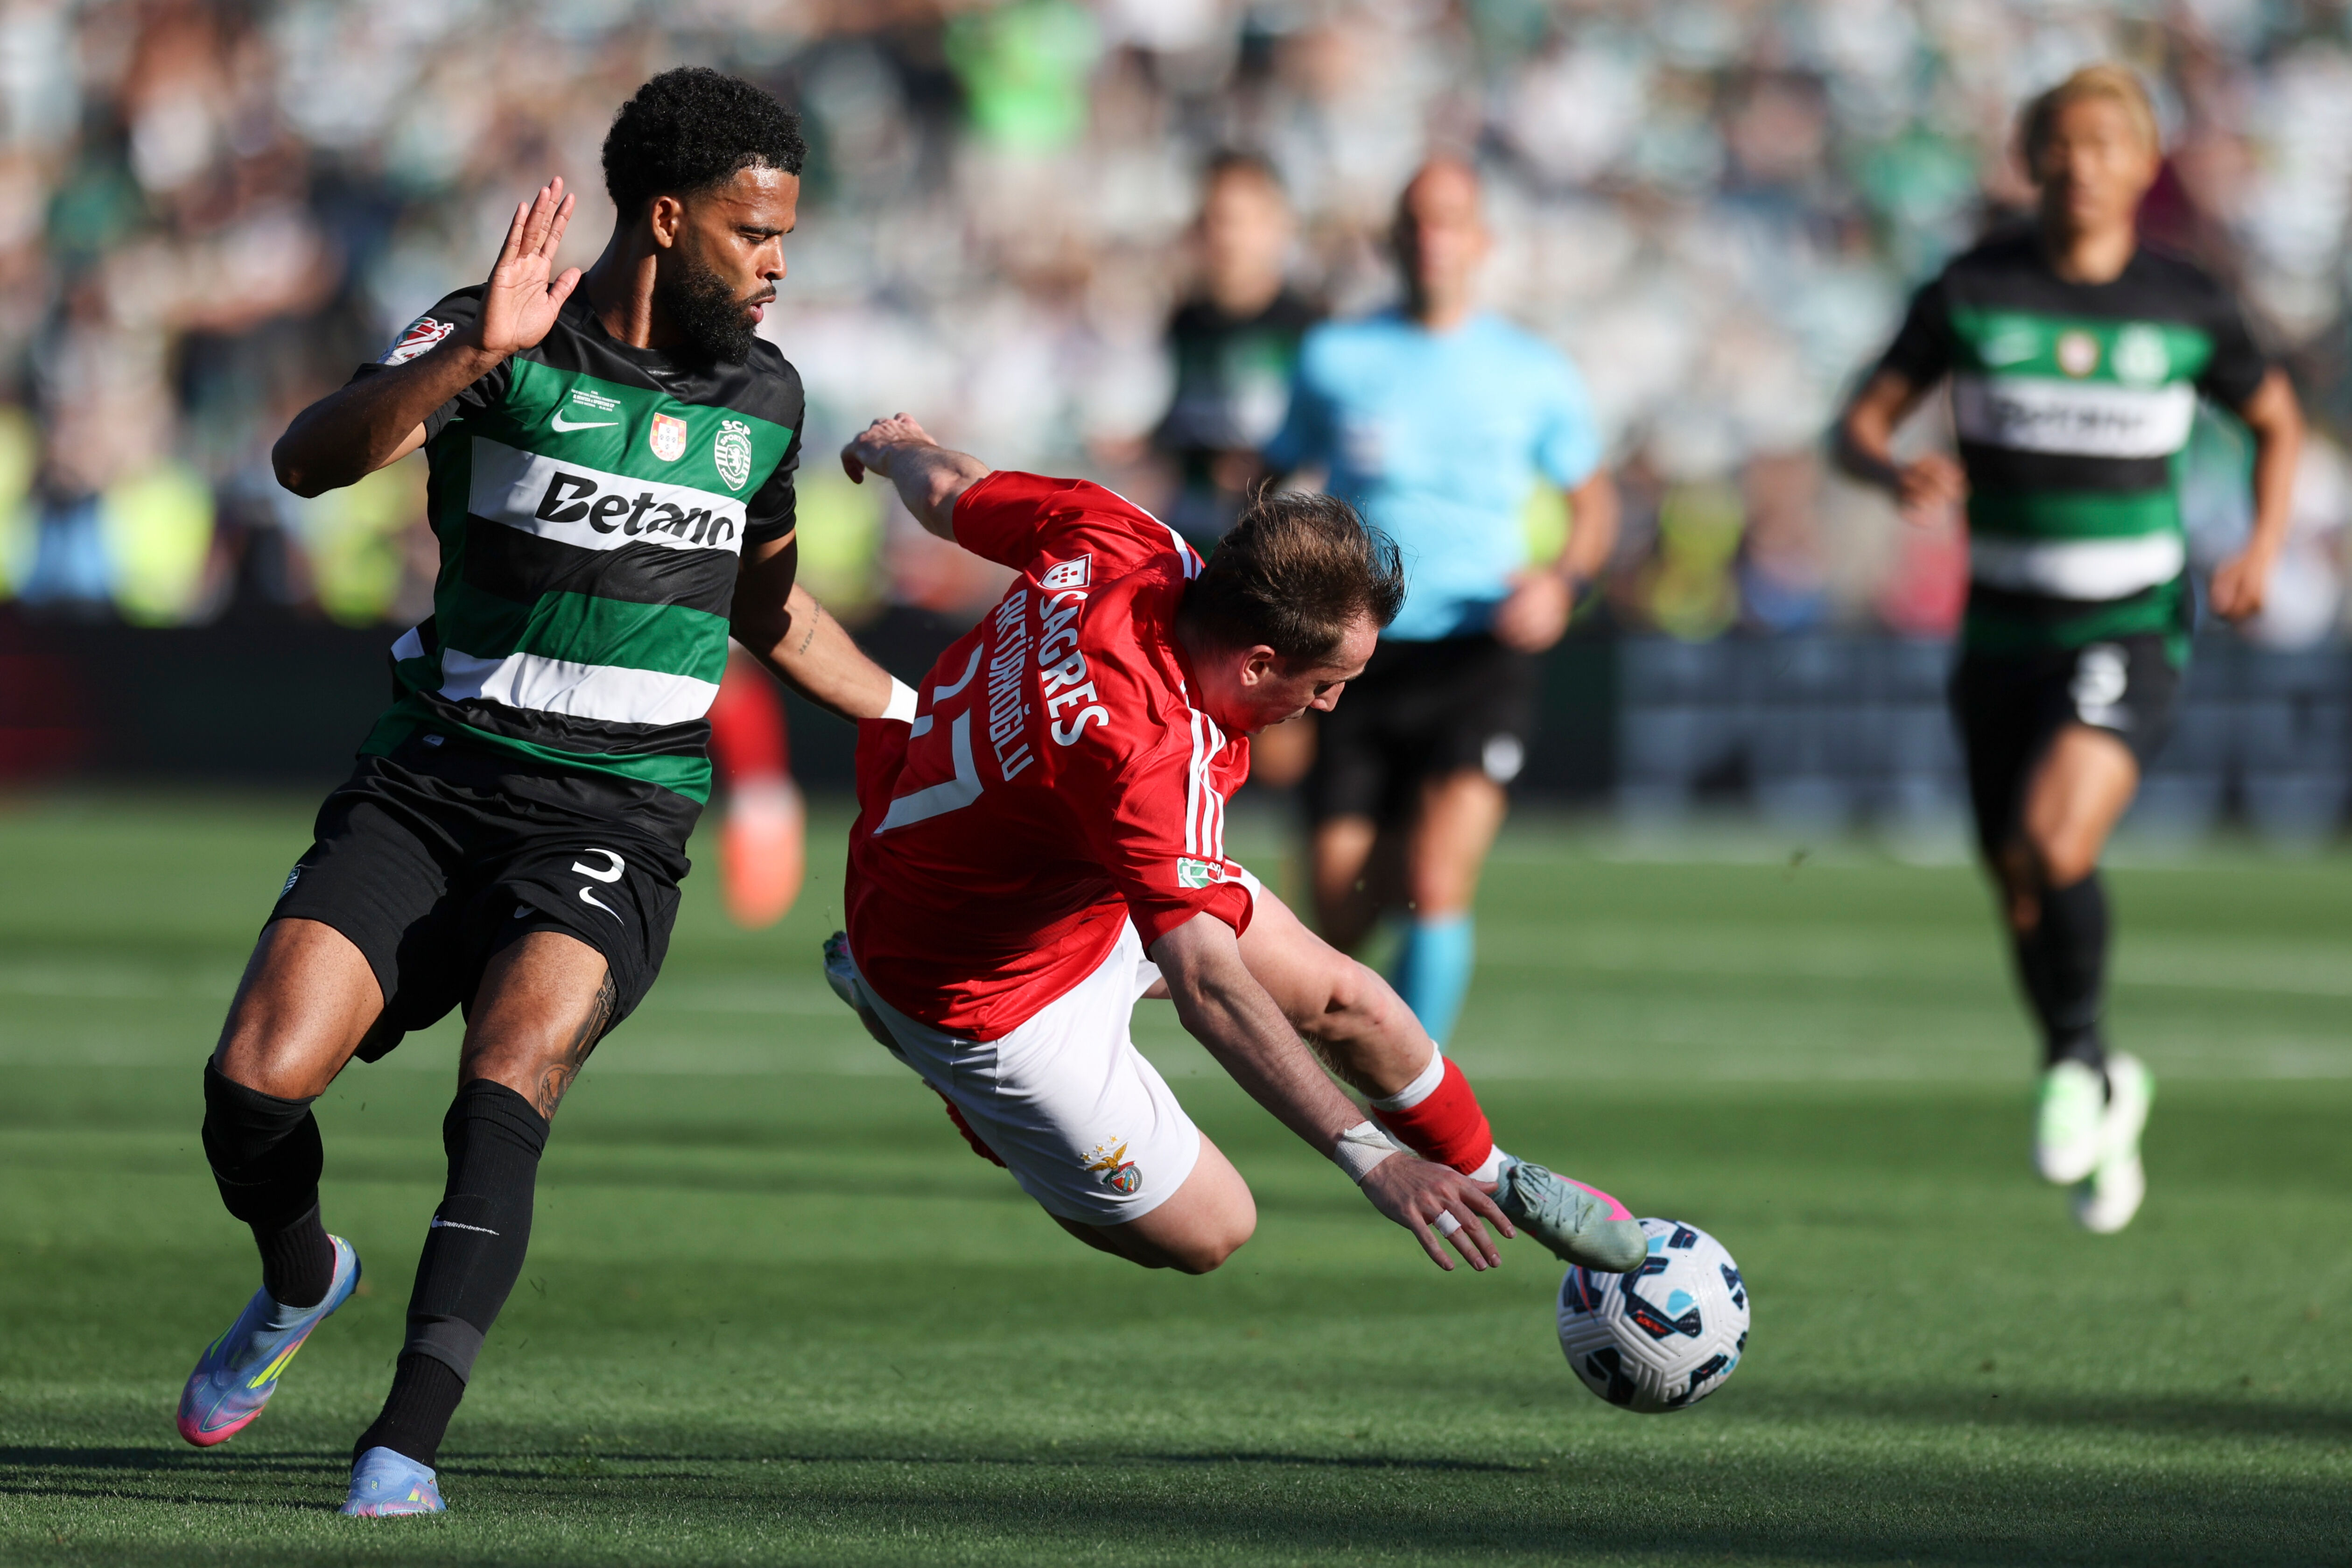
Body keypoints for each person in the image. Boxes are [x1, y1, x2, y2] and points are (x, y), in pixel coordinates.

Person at [176, 70, 899, 1517]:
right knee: (253, 1085)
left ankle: (403, 1449)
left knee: (506, 1082)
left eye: (788, 241)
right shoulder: (495, 328)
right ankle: (304, 1276)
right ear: (666, 216)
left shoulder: (764, 399)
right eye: (756, 234)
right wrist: (463, 362)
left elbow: (771, 612)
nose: (776, 266)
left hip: (614, 818)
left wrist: (916, 714)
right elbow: (307, 460)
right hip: (431, 784)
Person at [823, 411, 1643, 1280]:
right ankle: (948, 1071)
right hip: (971, 981)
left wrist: (893, 446)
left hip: (1033, 865)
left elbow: (948, 489)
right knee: (1209, 1228)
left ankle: (1494, 1174)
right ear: (1255, 663)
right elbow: (1209, 986)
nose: (1328, 705)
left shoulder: (1127, 537)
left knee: (1347, 999)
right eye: (1324, 682)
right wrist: (1374, 1157)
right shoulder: (1149, 761)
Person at [1836, 64, 2302, 1234]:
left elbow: (2274, 416)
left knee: (2053, 836)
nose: (2082, 163)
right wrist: (1893, 467)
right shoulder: (1971, 288)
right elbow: (1856, 420)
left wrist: (2257, 542)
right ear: (2028, 158)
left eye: (2107, 143)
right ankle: (2092, 1070)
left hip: (2128, 620)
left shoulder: (2183, 302)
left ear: (2143, 165)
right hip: (1997, 628)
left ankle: (2079, 1056)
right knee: (2017, 879)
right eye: (2060, 142)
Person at [1263, 156, 1617, 1048]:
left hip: (1478, 648)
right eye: (1416, 222)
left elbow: (1593, 502)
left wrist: (1560, 582)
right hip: (1360, 654)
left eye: (1450, 221)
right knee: (1339, 905)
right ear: (1392, 239)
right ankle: (1375, 1022)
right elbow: (1274, 480)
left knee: (1436, 869)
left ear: (1481, 241)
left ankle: (1413, 1089)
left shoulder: (1529, 369)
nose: (1432, 240)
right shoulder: (1335, 356)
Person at [707, 643, 807, 928]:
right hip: (754, 794)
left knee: (760, 893)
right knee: (749, 893)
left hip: (765, 794)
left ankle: (761, 921)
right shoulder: (736, 696)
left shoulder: (744, 694)